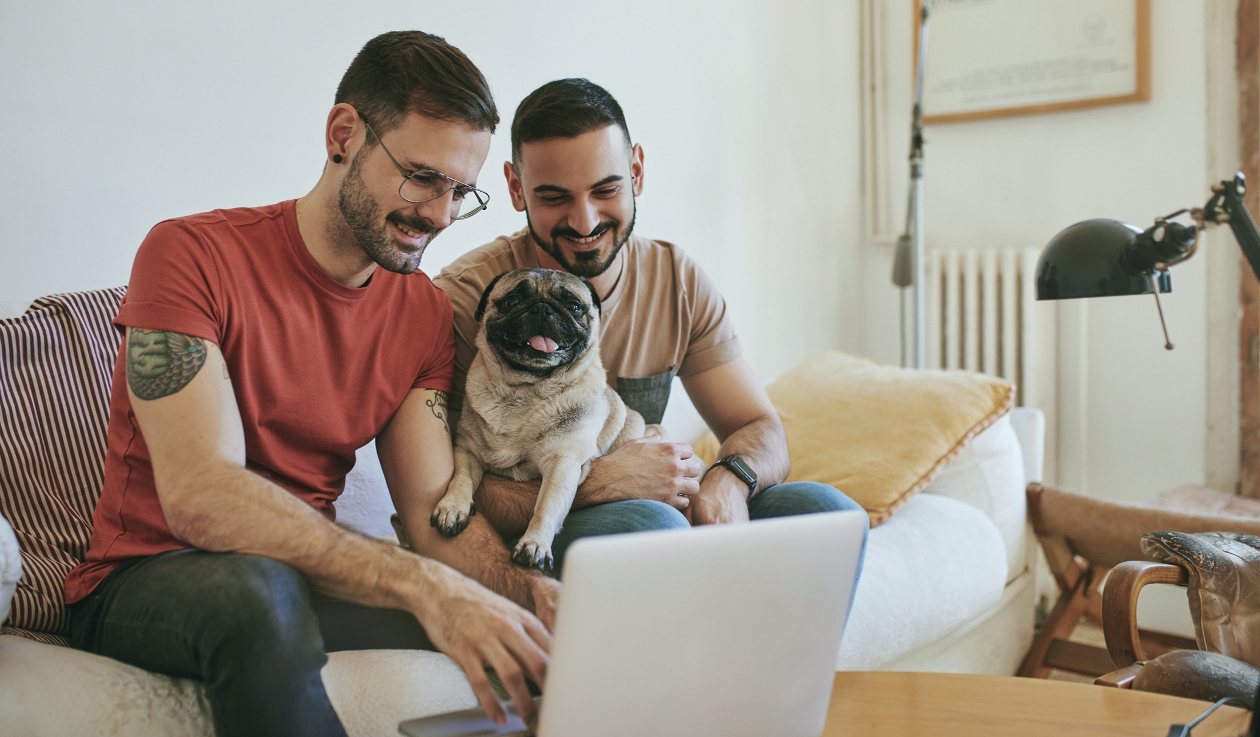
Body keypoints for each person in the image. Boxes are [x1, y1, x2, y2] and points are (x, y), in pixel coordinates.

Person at [62, 32, 552, 736]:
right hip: (147, 577)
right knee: (259, 594)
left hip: (301, 576)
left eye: (460, 192)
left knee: (512, 637)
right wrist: (421, 582)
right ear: (344, 135)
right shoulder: (190, 254)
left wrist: (527, 595)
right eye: (421, 176)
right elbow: (203, 497)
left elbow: (431, 515)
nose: (440, 216)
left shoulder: (420, 312)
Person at [434, 79, 864, 574]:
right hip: (556, 526)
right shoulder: (467, 299)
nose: (584, 220)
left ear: (636, 171)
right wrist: (604, 482)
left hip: (660, 504)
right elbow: (434, 486)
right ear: (516, 188)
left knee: (827, 515)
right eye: (554, 197)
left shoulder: (677, 279)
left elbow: (757, 425)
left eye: (606, 189)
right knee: (651, 526)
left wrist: (728, 482)